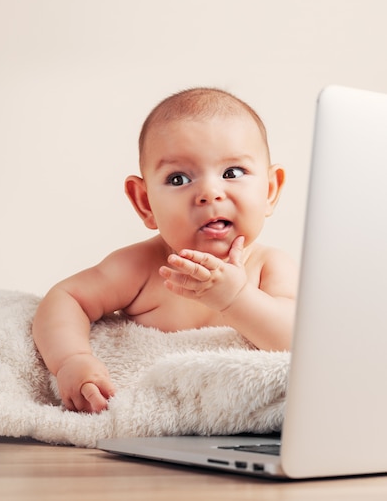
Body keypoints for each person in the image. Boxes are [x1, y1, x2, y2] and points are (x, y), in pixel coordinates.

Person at [32, 87, 298, 414]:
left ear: (270, 191)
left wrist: (236, 297)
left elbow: (298, 342)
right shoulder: (141, 267)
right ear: (144, 202)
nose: (210, 193)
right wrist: (72, 360)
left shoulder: (268, 267)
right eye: (178, 178)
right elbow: (65, 298)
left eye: (232, 173)